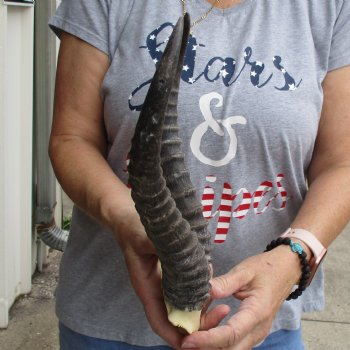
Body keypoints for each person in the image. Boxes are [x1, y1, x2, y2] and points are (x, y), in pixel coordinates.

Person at [48, 0, 350, 349]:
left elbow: (340, 162)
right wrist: (129, 220)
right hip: (110, 324)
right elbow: (72, 138)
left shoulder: (329, 6)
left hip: (263, 328)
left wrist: (295, 254)